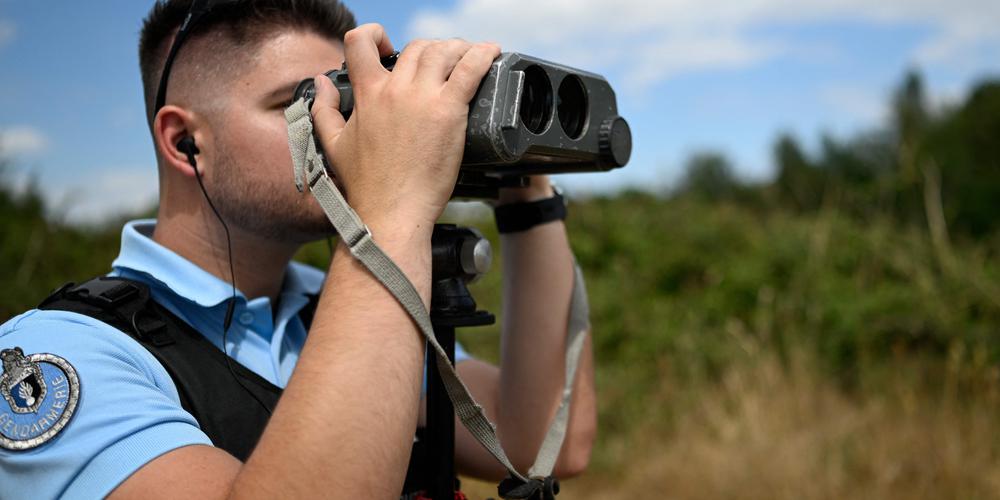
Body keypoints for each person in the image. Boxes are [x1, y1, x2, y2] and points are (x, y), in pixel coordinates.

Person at [0, 0, 596, 497]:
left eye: (350, 97)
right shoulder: (62, 356)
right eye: (301, 105)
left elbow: (542, 441)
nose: (348, 128)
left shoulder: (327, 307)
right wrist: (386, 212)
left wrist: (525, 186)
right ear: (185, 143)